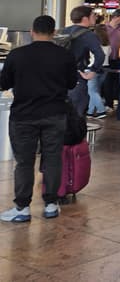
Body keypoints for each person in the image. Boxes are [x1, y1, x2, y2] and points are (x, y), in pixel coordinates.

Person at [0, 16, 77, 222]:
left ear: (32, 31)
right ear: (53, 33)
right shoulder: (65, 55)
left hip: (23, 116)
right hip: (55, 114)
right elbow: (71, 83)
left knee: (24, 162)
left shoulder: (17, 55)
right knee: (52, 158)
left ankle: (22, 208)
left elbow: (4, 83)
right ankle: (51, 205)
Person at [62, 6, 105, 117]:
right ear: (85, 18)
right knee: (77, 115)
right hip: (76, 77)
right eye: (93, 15)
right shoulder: (88, 35)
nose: (95, 17)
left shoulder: (63, 31)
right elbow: (100, 55)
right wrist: (93, 71)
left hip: (59, 78)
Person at [103, 9, 120, 111]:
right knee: (107, 81)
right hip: (107, 58)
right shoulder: (104, 28)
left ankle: (117, 100)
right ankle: (109, 103)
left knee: (118, 81)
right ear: (115, 17)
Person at [87, 24, 111, 119]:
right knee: (95, 91)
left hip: (93, 68)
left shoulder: (93, 45)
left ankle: (101, 110)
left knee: (92, 91)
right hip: (105, 68)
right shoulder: (108, 46)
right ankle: (90, 111)